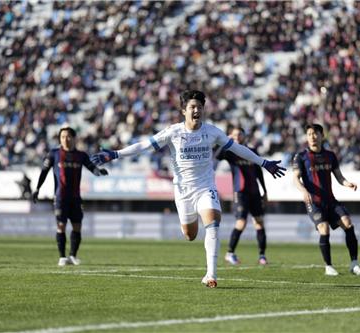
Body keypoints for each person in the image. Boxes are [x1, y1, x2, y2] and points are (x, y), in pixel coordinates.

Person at [92, 90, 286, 288]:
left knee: (213, 222)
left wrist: (264, 162)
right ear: (183, 110)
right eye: (192, 107)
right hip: (183, 191)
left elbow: (238, 148)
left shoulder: (212, 132)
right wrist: (116, 154)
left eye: (200, 107)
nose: (196, 110)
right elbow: (144, 146)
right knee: (190, 235)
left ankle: (211, 275)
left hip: (206, 187)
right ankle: (193, 233)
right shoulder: (173, 132)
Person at [292, 123, 360, 276]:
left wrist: (347, 183)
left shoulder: (330, 155)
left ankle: (354, 264)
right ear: (307, 137)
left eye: (316, 133)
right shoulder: (301, 157)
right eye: (310, 134)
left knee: (348, 223)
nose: (313, 137)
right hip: (314, 203)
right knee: (324, 229)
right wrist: (303, 190)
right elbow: (295, 178)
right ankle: (328, 266)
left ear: (322, 136)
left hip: (331, 201)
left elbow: (339, 176)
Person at [32, 127, 108, 266]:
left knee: (77, 226)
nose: (65, 139)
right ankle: (62, 257)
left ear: (74, 138)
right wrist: (37, 188)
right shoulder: (54, 154)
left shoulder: (81, 155)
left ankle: (72, 256)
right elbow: (44, 172)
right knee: (61, 225)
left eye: (67, 136)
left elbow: (92, 168)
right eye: (62, 137)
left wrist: (99, 172)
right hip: (60, 197)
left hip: (76, 198)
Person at [215, 127, 269, 265]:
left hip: (255, 192)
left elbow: (259, 172)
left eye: (239, 134)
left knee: (259, 222)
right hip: (240, 192)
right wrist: (226, 141)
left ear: (245, 136)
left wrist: (264, 191)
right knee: (241, 222)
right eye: (234, 135)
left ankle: (262, 256)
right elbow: (217, 156)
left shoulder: (252, 151)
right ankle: (230, 253)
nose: (237, 136)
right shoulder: (231, 152)